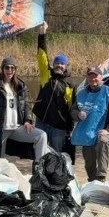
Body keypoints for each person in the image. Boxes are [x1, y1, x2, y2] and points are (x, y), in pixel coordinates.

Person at [0, 56, 48, 161]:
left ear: (15, 69)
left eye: (12, 68)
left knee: (41, 135)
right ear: (2, 68)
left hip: (17, 128)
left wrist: (27, 121)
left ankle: (39, 169)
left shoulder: (20, 86)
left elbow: (26, 105)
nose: (10, 71)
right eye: (7, 68)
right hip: (0, 129)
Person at [70, 66, 109, 181]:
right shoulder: (81, 93)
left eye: (96, 76)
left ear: (101, 77)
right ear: (87, 77)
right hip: (86, 132)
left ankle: (101, 177)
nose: (93, 79)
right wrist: (77, 114)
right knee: (89, 162)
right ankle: (92, 180)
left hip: (103, 131)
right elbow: (73, 110)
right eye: (90, 76)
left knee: (103, 141)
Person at [32, 21, 75, 154]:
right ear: (53, 63)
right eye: (57, 63)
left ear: (66, 66)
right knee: (39, 154)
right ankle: (38, 174)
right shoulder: (46, 74)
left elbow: (71, 108)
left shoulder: (70, 85)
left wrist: (69, 128)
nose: (59, 66)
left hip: (58, 127)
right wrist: (42, 34)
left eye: (62, 64)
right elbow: (42, 54)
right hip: (41, 122)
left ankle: (56, 175)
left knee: (56, 156)